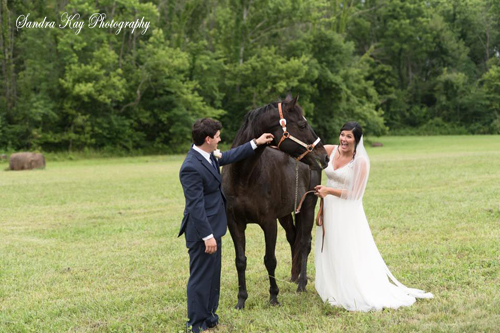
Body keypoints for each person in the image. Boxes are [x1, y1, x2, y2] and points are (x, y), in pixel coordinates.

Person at [314, 121, 433, 312]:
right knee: (330, 247)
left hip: (347, 212)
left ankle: (351, 287)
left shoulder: (360, 161)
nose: (343, 139)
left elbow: (355, 194)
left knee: (347, 248)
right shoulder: (330, 150)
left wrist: (329, 190)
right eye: (342, 135)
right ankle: (333, 286)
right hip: (328, 208)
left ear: (357, 140)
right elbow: (307, 151)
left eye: (349, 136)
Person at [178, 118, 273, 332]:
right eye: (218, 136)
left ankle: (210, 316)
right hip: (203, 233)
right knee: (200, 278)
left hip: (215, 227)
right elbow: (196, 206)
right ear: (208, 139)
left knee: (213, 277)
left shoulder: (208, 155)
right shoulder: (191, 167)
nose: (221, 139)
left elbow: (230, 156)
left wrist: (255, 143)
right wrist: (207, 236)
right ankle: (196, 322)